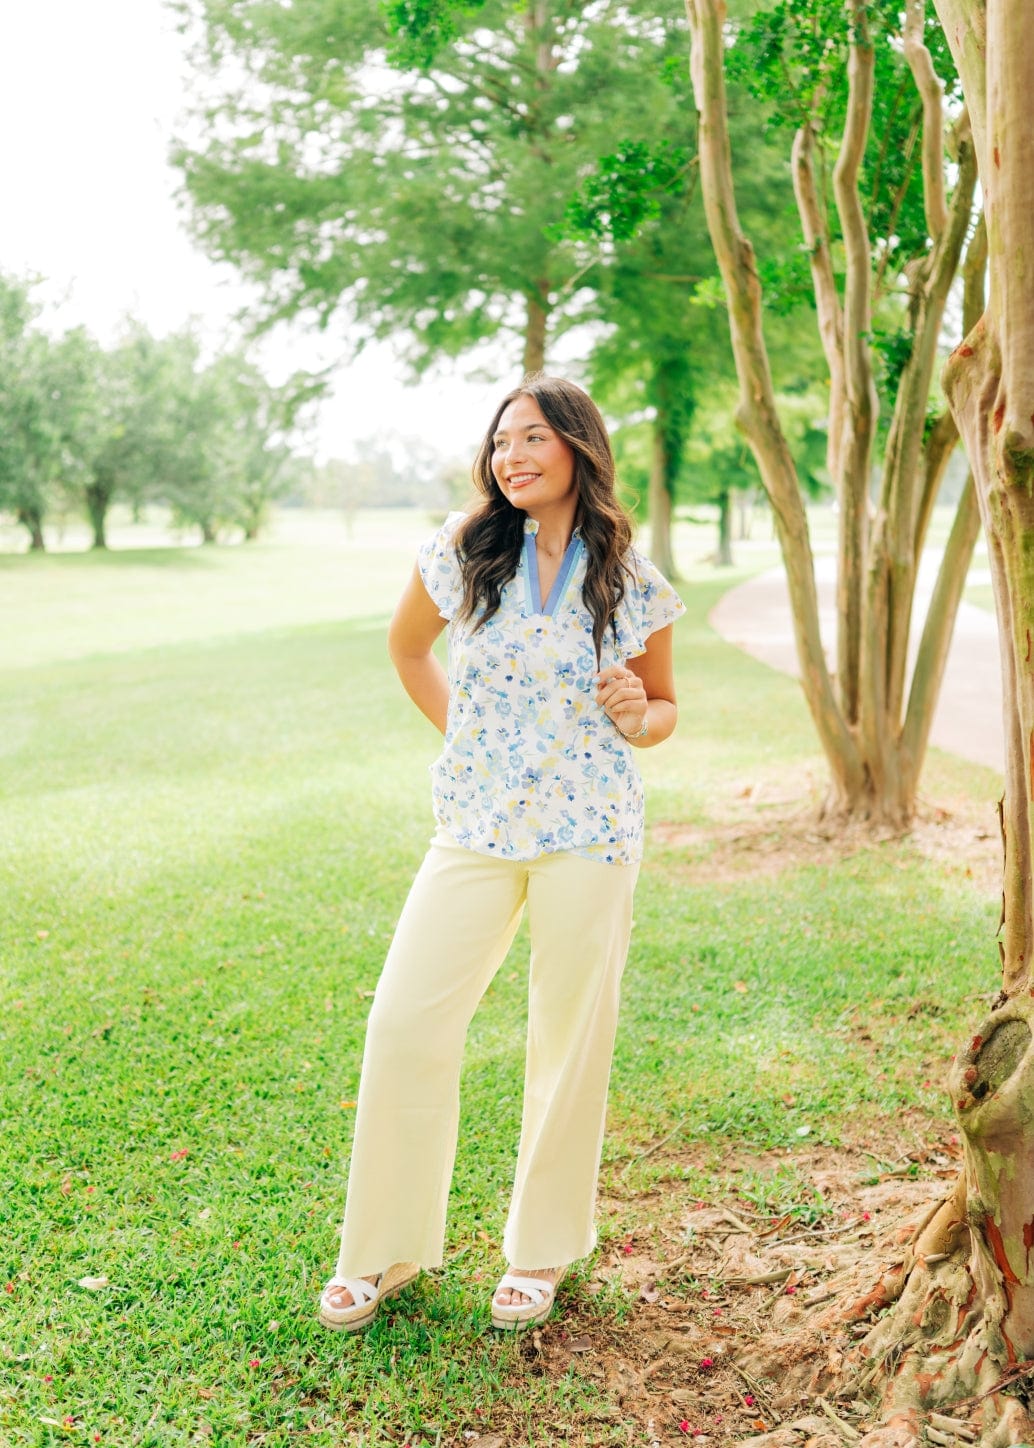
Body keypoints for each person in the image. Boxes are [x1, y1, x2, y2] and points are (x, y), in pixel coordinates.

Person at [319, 374, 684, 1334]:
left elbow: (664, 708)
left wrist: (640, 715)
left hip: (590, 834)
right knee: (404, 1022)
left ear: (577, 447)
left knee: (568, 1043)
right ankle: (386, 1250)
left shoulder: (630, 576)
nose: (510, 456)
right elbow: (406, 651)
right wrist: (465, 744)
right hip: (473, 830)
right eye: (500, 442)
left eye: (531, 438)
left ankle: (542, 1252)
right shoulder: (464, 547)